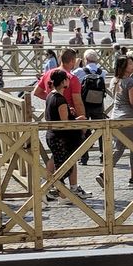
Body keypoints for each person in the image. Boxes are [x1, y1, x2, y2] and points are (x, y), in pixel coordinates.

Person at [33, 49, 91, 200]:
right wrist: (81, 121)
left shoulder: (49, 74)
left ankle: (48, 184)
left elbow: (37, 92)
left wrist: (51, 101)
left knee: (58, 156)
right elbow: (78, 102)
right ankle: (67, 187)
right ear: (72, 61)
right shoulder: (71, 78)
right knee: (71, 156)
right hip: (67, 123)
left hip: (53, 122)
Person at [95, 56, 133, 189]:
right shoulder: (129, 81)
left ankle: (103, 173)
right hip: (129, 117)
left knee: (118, 148)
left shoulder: (114, 80)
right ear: (123, 66)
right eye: (130, 63)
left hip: (116, 116)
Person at [44, 69, 89, 204]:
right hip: (60, 138)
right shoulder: (61, 99)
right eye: (67, 79)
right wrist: (79, 119)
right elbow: (65, 124)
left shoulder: (50, 96)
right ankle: (61, 194)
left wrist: (70, 112)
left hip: (52, 135)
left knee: (59, 163)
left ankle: (50, 190)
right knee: (63, 166)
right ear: (63, 82)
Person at [72, 49, 107, 166]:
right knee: (100, 129)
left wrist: (77, 65)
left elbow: (71, 79)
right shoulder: (103, 72)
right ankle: (103, 155)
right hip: (98, 105)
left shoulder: (79, 71)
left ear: (85, 59)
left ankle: (84, 156)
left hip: (84, 104)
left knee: (83, 129)